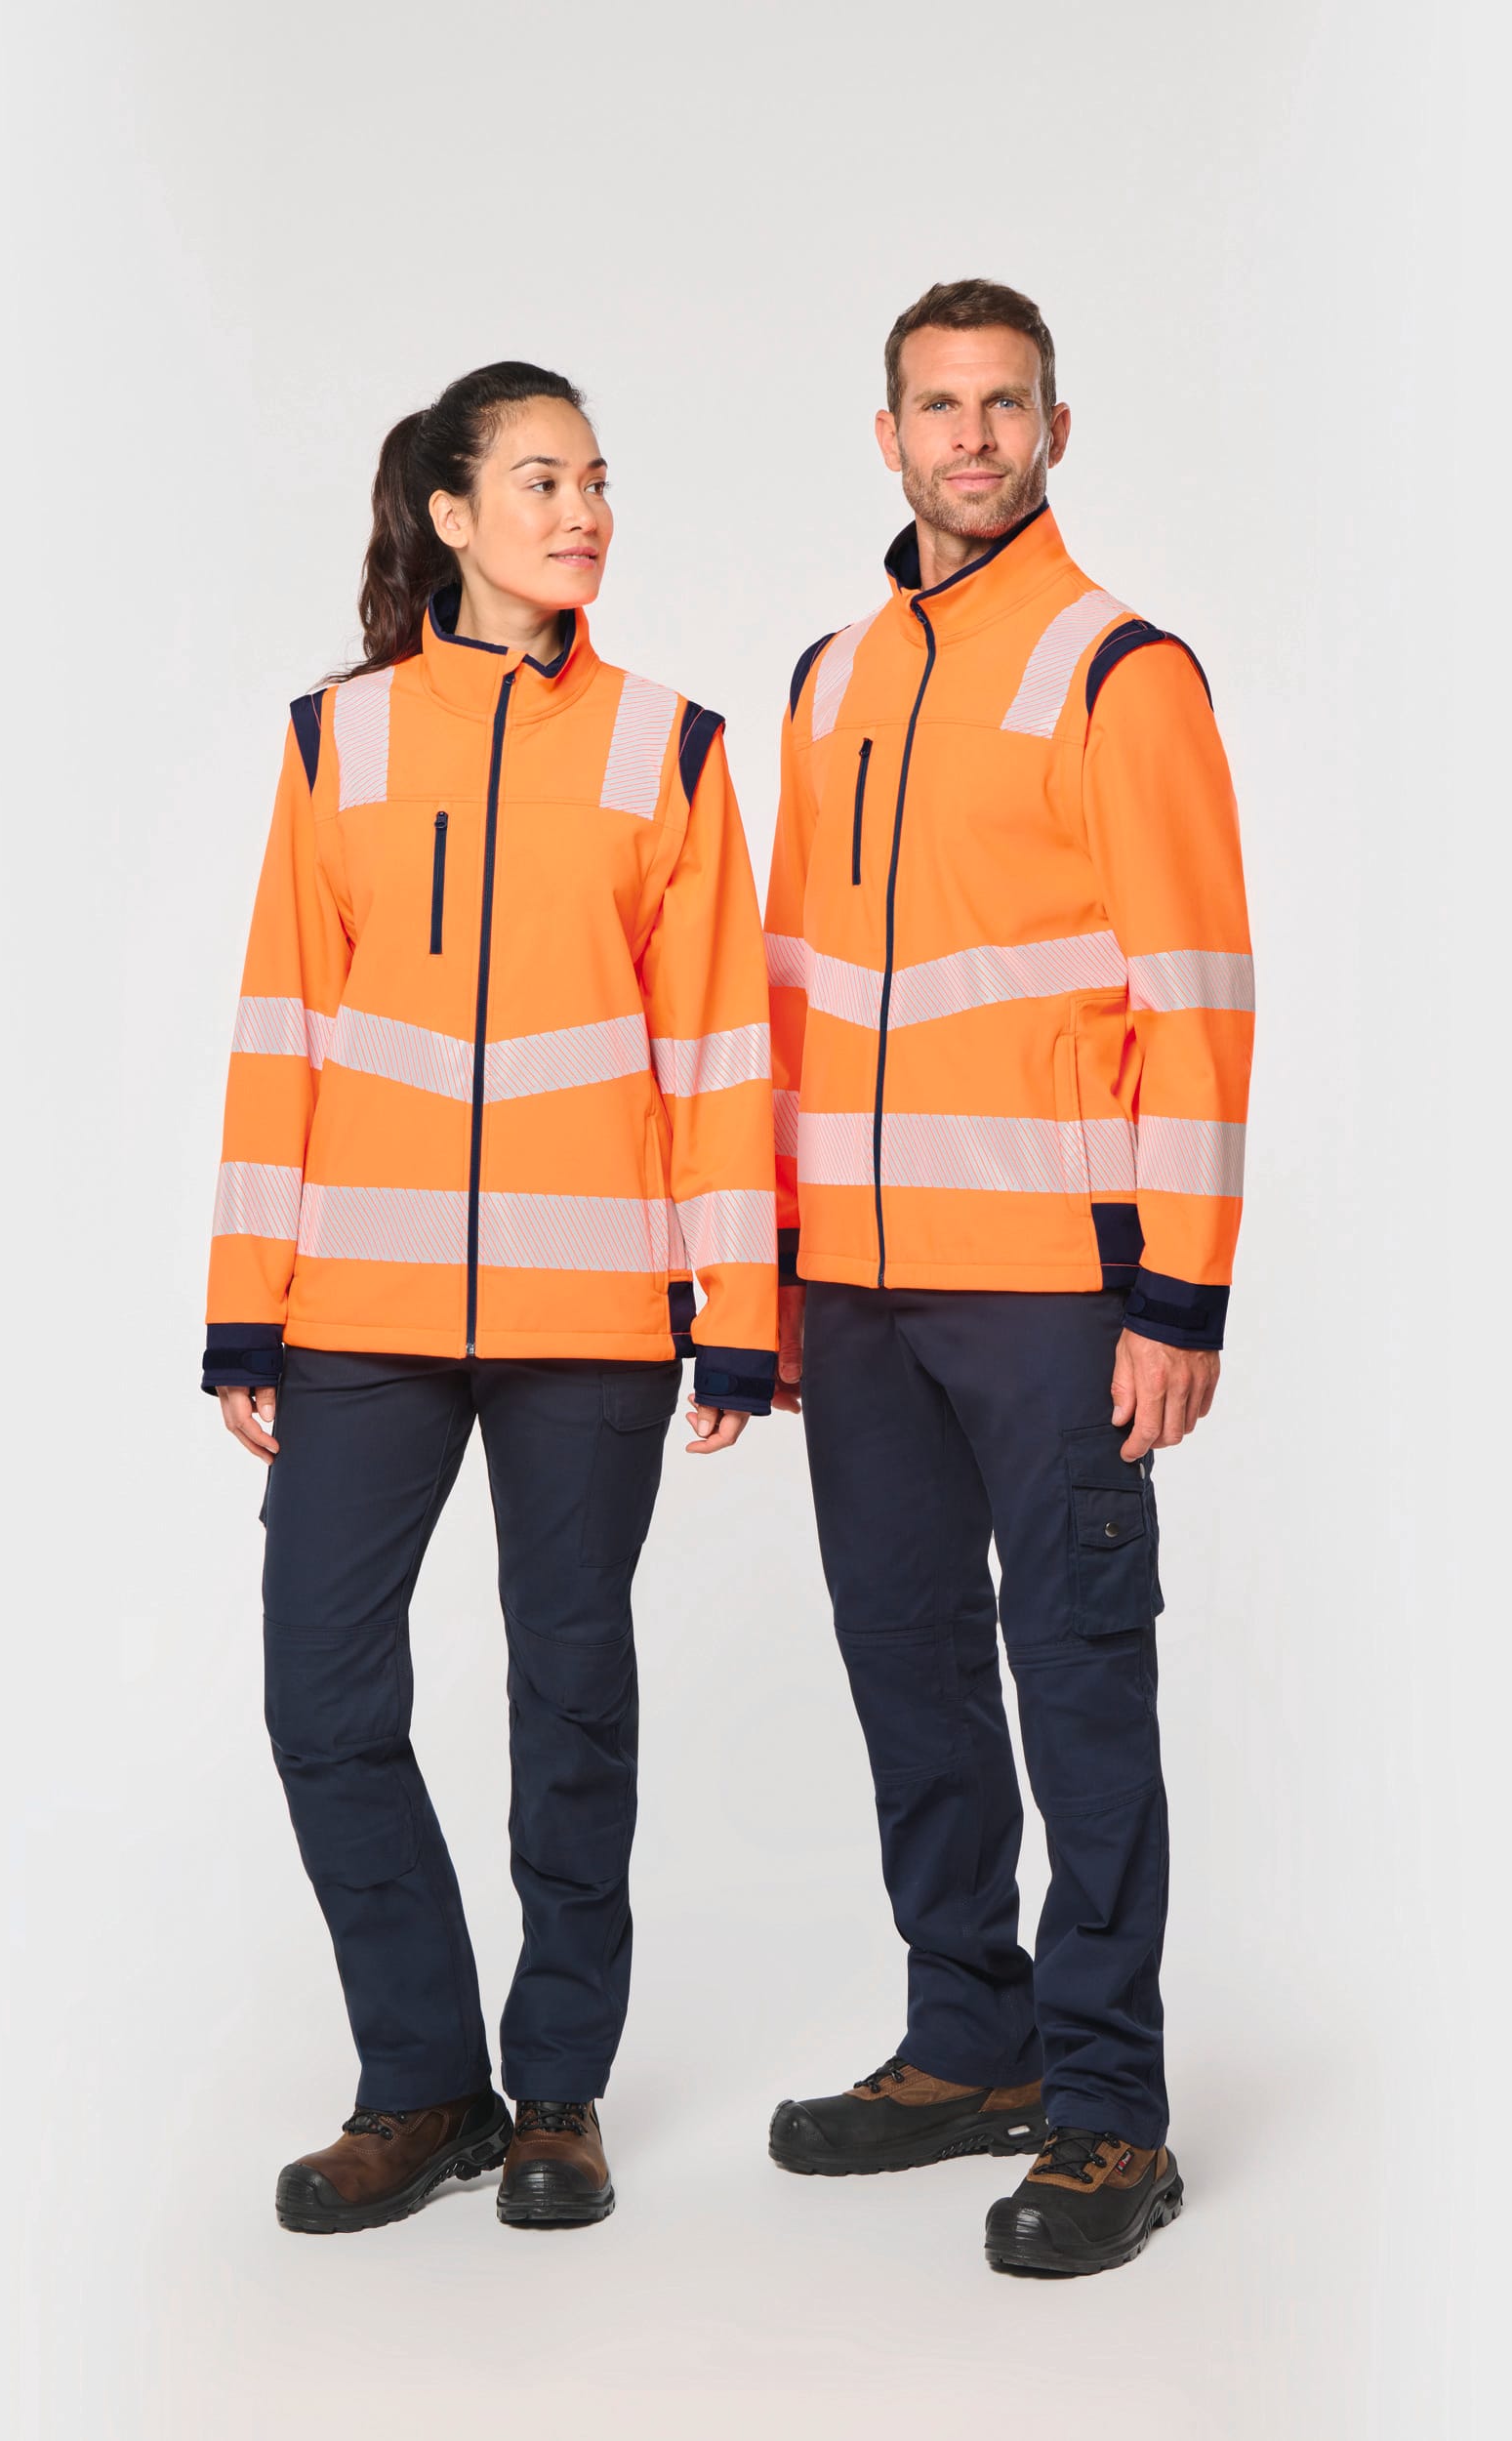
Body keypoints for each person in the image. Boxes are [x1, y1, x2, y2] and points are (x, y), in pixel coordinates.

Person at [203, 362, 777, 2233]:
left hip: (591, 1315)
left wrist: (738, 1304)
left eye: (596, 479)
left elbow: (719, 1049)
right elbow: (281, 1033)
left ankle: (557, 2095)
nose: (582, 509)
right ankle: (422, 2080)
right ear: (449, 515)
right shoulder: (340, 740)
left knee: (571, 1699)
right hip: (359, 1312)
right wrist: (247, 1305)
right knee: (323, 1696)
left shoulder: (669, 747)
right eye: (541, 479)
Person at [764, 281, 1251, 2275]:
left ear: (1055, 428)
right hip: (860, 1292)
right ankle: (971, 2038)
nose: (970, 436)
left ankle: (1112, 2108)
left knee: (1080, 1678)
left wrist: (1180, 1295)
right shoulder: (830, 680)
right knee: (909, 1664)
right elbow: (787, 998)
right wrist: (775, 1265)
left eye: (1003, 404)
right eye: (937, 404)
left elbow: (1196, 995)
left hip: (1057, 1286)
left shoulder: (1120, 671)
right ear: (886, 433)